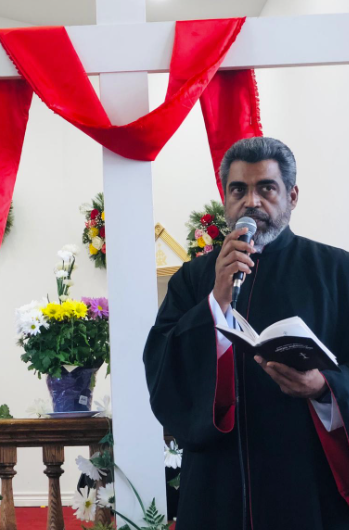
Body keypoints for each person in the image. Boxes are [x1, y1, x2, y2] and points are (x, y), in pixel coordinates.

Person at [144, 137, 349, 529]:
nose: (252, 202)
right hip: (216, 486)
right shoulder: (192, 280)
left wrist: (324, 386)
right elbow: (162, 369)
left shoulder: (337, 272)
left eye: (266, 188)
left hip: (306, 482)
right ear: (225, 198)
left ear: (292, 195)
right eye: (239, 189)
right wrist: (216, 302)